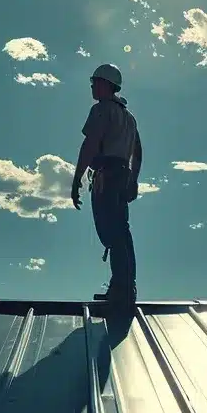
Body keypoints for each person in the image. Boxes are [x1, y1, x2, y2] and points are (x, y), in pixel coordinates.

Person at [71, 63, 141, 302]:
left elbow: (90, 144)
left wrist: (77, 178)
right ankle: (124, 286)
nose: (92, 86)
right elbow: (137, 152)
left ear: (106, 85)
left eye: (95, 82)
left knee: (112, 231)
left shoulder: (101, 110)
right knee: (121, 230)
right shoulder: (129, 117)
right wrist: (133, 180)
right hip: (121, 175)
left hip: (107, 175)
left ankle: (121, 289)